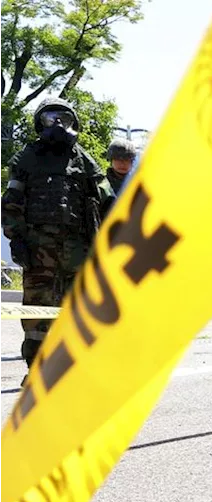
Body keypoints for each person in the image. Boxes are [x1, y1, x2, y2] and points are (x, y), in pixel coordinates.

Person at [2, 97, 115, 370]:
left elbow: (108, 201)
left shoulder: (83, 160)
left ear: (72, 122)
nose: (58, 125)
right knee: (35, 316)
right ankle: (36, 370)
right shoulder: (28, 157)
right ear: (40, 123)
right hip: (38, 251)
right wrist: (16, 240)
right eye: (51, 119)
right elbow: (10, 204)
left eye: (63, 119)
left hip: (78, 252)